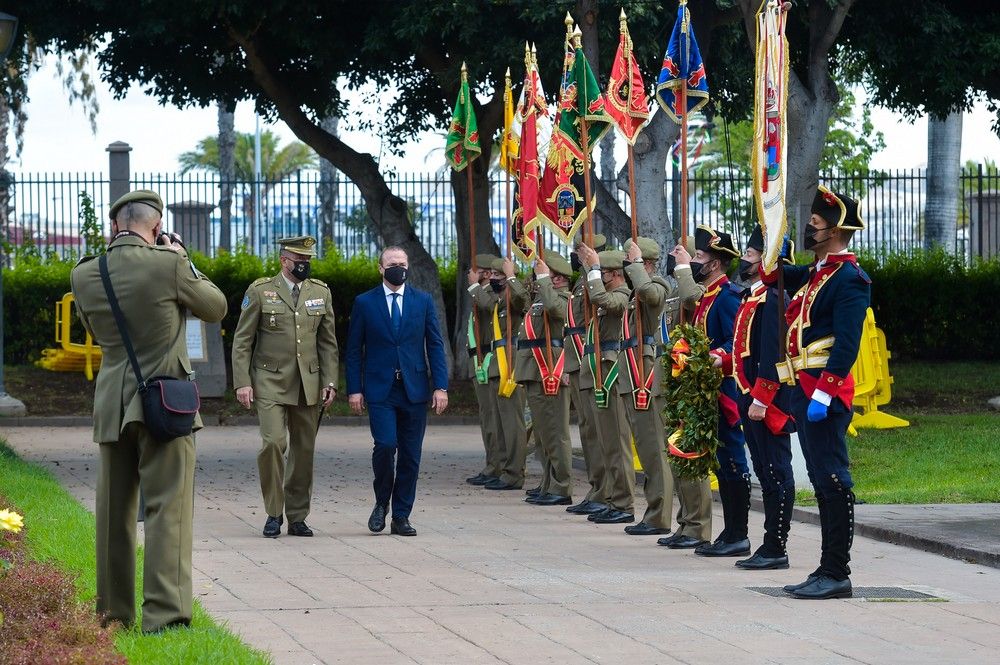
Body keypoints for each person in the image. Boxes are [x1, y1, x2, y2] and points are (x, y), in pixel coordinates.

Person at [71, 189, 227, 633]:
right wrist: (182, 258)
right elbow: (215, 308)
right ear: (156, 229)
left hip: (111, 405)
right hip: (164, 403)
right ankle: (165, 616)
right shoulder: (168, 265)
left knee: (112, 514)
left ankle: (113, 616)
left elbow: (92, 328)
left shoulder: (84, 273)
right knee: (167, 509)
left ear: (114, 225)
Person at [767, 186, 870, 599]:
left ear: (835, 230)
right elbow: (777, 276)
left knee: (832, 479)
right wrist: (774, 239)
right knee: (820, 477)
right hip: (801, 389)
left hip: (822, 392)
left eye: (814, 225)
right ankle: (826, 568)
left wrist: (826, 392)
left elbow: (846, 344)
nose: (810, 231)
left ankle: (837, 572)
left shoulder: (850, 279)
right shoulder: (818, 272)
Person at [232, 236, 339, 539]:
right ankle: (273, 512)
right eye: (299, 260)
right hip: (270, 381)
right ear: (283, 261)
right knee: (273, 444)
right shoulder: (260, 291)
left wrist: (330, 382)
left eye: (308, 260)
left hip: (309, 383)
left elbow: (328, 344)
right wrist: (242, 382)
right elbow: (242, 341)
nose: (304, 265)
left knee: (303, 451)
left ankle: (297, 516)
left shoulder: (320, 292)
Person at [346, 246, 449, 536]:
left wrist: (440, 386)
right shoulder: (365, 302)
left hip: (415, 389)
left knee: (410, 455)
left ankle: (401, 515)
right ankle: (381, 502)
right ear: (381, 268)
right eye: (392, 263)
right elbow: (354, 350)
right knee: (386, 445)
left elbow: (435, 345)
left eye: (402, 263)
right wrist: (354, 389)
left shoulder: (422, 301)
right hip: (380, 390)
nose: (398, 268)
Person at [714, 226, 797, 570]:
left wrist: (762, 397)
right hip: (749, 394)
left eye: (750, 254)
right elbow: (747, 348)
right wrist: (725, 360)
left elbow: (773, 353)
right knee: (764, 470)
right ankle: (768, 543)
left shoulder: (774, 296)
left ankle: (776, 546)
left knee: (776, 471)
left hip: (767, 399)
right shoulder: (754, 295)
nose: (744, 260)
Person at [670, 225, 748, 554]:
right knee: (720, 461)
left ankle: (738, 534)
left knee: (732, 461)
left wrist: (716, 357)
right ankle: (730, 534)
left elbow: (735, 343)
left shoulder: (728, 296)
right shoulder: (707, 298)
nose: (697, 260)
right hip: (706, 392)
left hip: (724, 391)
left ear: (715, 263)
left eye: (700, 256)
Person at [616, 236, 699, 536]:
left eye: (633, 261)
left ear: (647, 263)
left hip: (650, 374)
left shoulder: (660, 287)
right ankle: (657, 513)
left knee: (655, 450)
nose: (628, 266)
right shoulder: (638, 292)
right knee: (649, 449)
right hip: (641, 371)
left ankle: (659, 515)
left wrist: (637, 265)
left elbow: (651, 295)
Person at [574, 245, 635, 525]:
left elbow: (603, 300)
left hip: (610, 370)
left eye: (603, 274)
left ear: (614, 274)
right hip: (596, 368)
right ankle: (610, 496)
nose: (599, 279)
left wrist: (593, 271)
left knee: (616, 442)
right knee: (603, 441)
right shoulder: (606, 293)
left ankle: (623, 502)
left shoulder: (621, 295)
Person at [511, 250, 574, 506]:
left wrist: (545, 281)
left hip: (550, 368)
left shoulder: (563, 298)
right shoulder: (540, 299)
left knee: (556, 431)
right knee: (543, 433)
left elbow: (556, 311)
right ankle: (548, 483)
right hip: (534, 370)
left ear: (557, 278)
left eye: (546, 276)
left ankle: (561, 487)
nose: (537, 280)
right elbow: (521, 301)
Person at [564, 234, 611, 516]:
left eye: (580, 250)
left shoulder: (596, 281)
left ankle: (605, 490)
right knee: (588, 431)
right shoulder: (581, 282)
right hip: (579, 360)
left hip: (591, 359)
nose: (575, 255)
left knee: (598, 431)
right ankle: (597, 487)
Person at [482, 257, 531, 490]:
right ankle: (502, 468)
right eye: (491, 273)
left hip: (510, 363)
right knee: (501, 423)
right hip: (497, 362)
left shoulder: (513, 296)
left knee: (512, 423)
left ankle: (514, 472)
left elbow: (523, 300)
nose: (492, 278)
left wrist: (511, 277)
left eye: (497, 274)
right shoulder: (500, 298)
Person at [465, 253, 502, 487]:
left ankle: (497, 465)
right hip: (478, 361)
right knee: (486, 418)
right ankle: (492, 464)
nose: (470, 273)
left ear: (486, 274)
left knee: (493, 419)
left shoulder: (489, 292)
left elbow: (490, 307)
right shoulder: (481, 292)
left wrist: (474, 287)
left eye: (475, 270)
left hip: (489, 359)